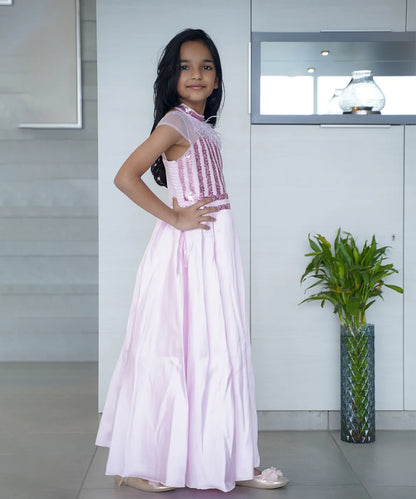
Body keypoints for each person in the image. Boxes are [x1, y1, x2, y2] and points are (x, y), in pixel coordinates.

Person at [95, 28, 289, 493]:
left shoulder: (203, 127)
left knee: (219, 346)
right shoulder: (176, 123)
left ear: (217, 78)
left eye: (206, 66)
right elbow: (126, 176)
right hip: (190, 252)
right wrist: (176, 217)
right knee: (182, 346)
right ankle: (142, 462)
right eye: (185, 67)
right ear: (172, 76)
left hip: (215, 248)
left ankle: (226, 459)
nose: (196, 74)